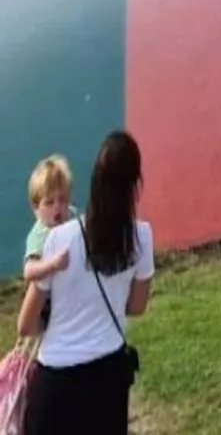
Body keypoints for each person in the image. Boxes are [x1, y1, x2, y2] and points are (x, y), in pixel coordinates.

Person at [16, 132, 154, 435]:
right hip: (108, 380)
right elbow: (137, 305)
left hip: (56, 385)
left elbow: (25, 324)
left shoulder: (58, 239)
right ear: (135, 183)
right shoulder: (141, 236)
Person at [22, 155, 75, 288]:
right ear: (36, 208)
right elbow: (29, 271)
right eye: (49, 202)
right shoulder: (40, 234)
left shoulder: (71, 214)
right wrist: (52, 264)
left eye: (62, 199)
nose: (57, 206)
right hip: (47, 300)